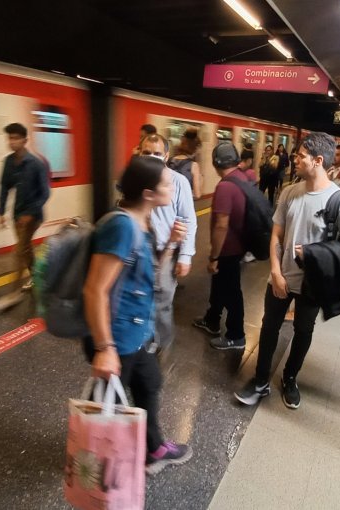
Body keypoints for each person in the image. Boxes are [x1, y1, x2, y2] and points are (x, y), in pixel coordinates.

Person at [83, 156, 192, 476]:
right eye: (167, 184)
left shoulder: (141, 222)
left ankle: (152, 446)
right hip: (115, 336)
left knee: (150, 381)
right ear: (148, 194)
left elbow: (148, 274)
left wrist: (171, 243)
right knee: (105, 403)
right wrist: (104, 349)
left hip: (135, 331)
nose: (174, 187)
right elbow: (95, 290)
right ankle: (94, 464)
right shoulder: (121, 226)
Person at [234, 132, 340, 409]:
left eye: (300, 155)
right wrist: (276, 274)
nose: (295, 158)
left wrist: (317, 253)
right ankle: (260, 381)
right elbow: (276, 236)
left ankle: (290, 378)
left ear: (317, 161)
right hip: (281, 276)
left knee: (304, 330)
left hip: (313, 284)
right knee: (269, 328)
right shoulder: (290, 191)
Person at [141, 134, 195, 354]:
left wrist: (185, 256)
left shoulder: (178, 182)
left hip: (167, 250)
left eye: (156, 153)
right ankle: (144, 339)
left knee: (162, 300)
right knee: (142, 297)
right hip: (142, 250)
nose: (151, 157)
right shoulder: (136, 178)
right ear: (139, 153)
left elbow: (188, 219)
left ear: (166, 155)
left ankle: (162, 342)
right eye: (147, 152)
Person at [192, 142, 248, 350]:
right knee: (220, 286)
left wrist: (214, 257)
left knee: (232, 293)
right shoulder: (243, 178)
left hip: (227, 249)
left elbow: (221, 225)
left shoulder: (225, 186)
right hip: (239, 246)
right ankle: (212, 319)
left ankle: (236, 335)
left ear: (216, 163)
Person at [0, 122, 51, 311]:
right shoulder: (9, 162)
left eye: (16, 138)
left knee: (18, 252)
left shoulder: (35, 164)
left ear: (25, 140)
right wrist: (0, 212)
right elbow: (4, 188)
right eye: (10, 138)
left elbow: (45, 193)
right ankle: (40, 279)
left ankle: (13, 294)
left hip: (34, 217)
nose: (12, 142)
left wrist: (30, 213)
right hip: (17, 215)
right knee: (25, 252)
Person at [166, 128, 202, 199]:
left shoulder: (170, 161)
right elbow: (197, 194)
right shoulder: (193, 165)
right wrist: (201, 180)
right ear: (194, 148)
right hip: (183, 205)